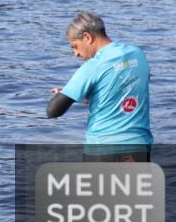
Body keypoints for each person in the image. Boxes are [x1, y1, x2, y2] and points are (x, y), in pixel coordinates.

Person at [46, 12, 153, 162]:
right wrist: (87, 95)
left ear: (87, 37)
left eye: (75, 46)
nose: (75, 53)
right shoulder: (138, 54)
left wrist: (67, 94)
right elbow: (127, 89)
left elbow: (53, 111)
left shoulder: (94, 65)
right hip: (139, 146)